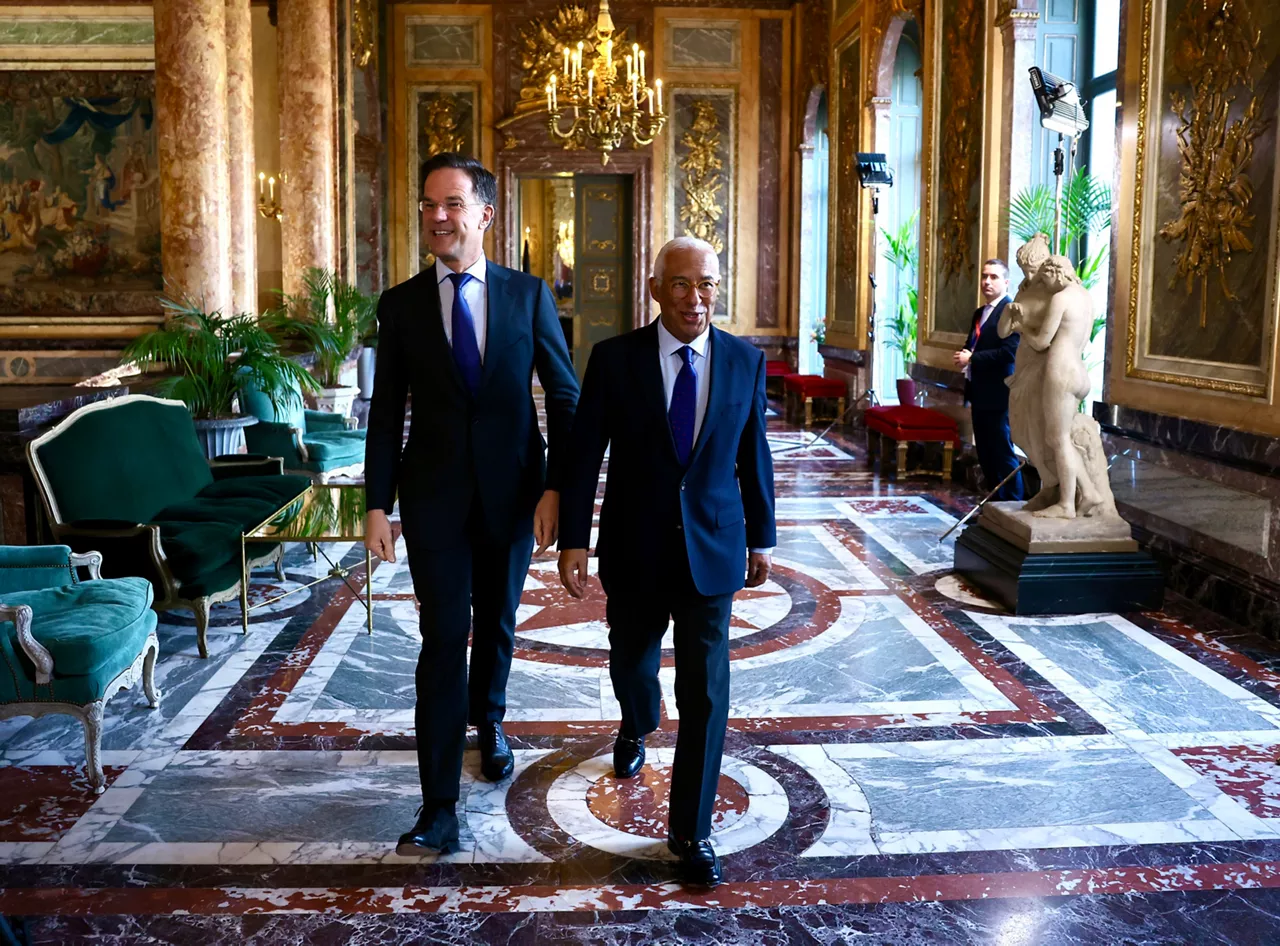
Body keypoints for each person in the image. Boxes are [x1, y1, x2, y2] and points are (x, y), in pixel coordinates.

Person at [364, 152, 580, 856]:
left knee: (497, 625)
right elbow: (385, 409)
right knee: (440, 640)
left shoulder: (528, 296)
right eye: (429, 204)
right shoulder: (399, 306)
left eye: (452, 204)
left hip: (516, 494)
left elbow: (565, 397)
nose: (437, 216)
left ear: (485, 213)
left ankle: (489, 721)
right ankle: (439, 806)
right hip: (433, 499)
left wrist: (559, 492)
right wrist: (376, 504)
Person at [557, 236, 776, 887]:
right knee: (632, 663)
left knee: (707, 692)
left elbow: (752, 454)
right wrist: (574, 537)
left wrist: (761, 536)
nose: (695, 297)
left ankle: (691, 831)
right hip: (634, 547)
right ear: (656, 289)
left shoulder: (743, 360)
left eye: (706, 283)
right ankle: (637, 722)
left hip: (712, 547)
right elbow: (584, 453)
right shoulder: (615, 359)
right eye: (681, 284)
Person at [953, 258, 1023, 501]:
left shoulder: (1010, 311)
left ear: (1006, 281)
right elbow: (974, 344)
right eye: (984, 276)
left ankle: (1013, 503)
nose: (986, 282)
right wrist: (965, 354)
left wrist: (972, 358)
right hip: (978, 391)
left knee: (1002, 450)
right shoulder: (980, 312)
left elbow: (1009, 353)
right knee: (984, 452)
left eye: (993, 277)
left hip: (999, 393)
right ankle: (994, 504)